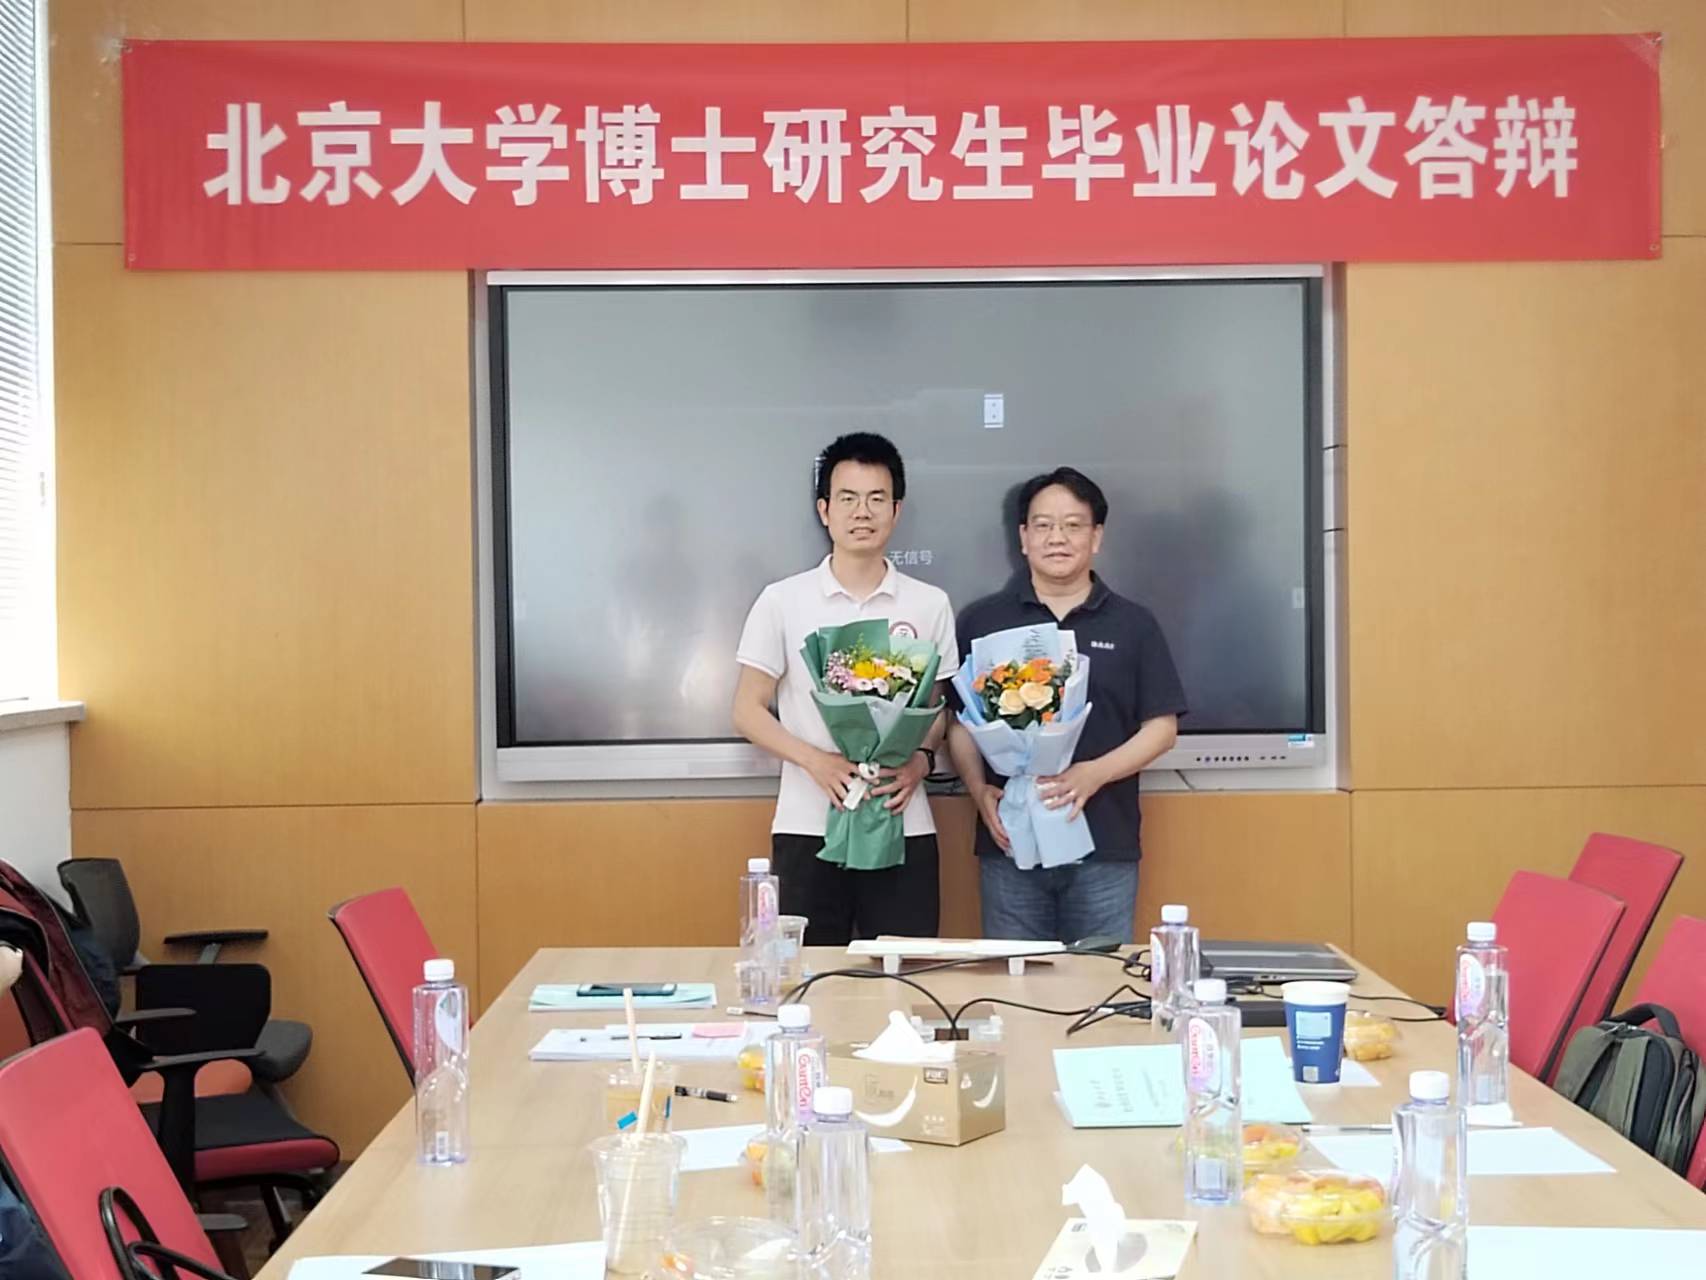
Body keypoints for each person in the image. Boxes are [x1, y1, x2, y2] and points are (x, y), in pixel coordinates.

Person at [733, 432, 958, 945]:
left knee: (905, 975)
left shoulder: (930, 604)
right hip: (808, 824)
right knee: (808, 974)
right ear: (824, 510)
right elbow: (747, 710)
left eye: (877, 498)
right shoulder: (782, 600)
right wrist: (817, 761)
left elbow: (937, 709)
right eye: (848, 498)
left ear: (896, 511)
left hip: (902, 822)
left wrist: (920, 762)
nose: (863, 512)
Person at [947, 467, 1186, 943]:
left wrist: (1092, 774)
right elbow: (958, 723)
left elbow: (1161, 729)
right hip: (1010, 844)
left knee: (1099, 978)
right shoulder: (982, 620)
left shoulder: (1134, 624)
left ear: (1096, 537)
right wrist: (977, 790)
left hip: (1104, 846)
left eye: (1073, 525)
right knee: (1014, 978)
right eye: (1043, 525)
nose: (1057, 538)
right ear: (1023, 537)